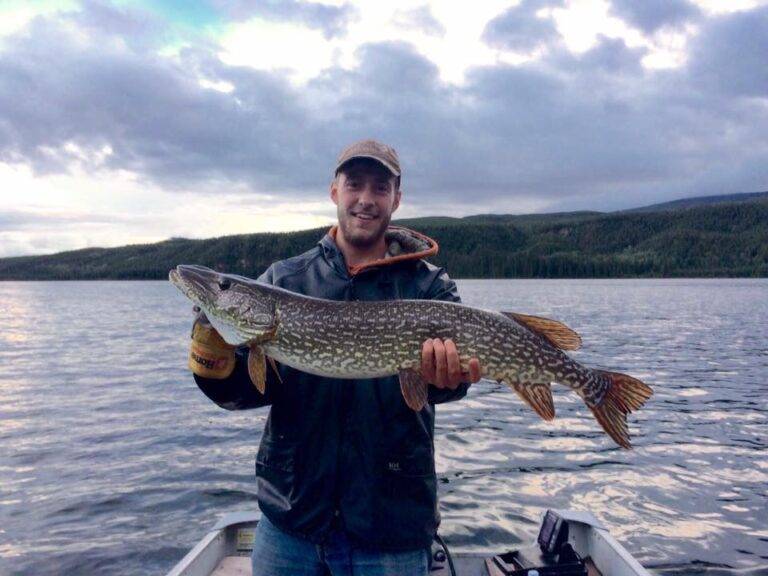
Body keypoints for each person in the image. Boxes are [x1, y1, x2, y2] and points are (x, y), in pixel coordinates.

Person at [189, 139, 483, 576]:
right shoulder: (285, 280)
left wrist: (449, 379)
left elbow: (447, 386)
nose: (365, 199)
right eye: (355, 184)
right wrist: (213, 360)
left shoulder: (429, 287)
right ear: (334, 191)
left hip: (392, 526)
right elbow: (243, 393)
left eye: (380, 188)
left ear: (396, 199)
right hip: (293, 521)